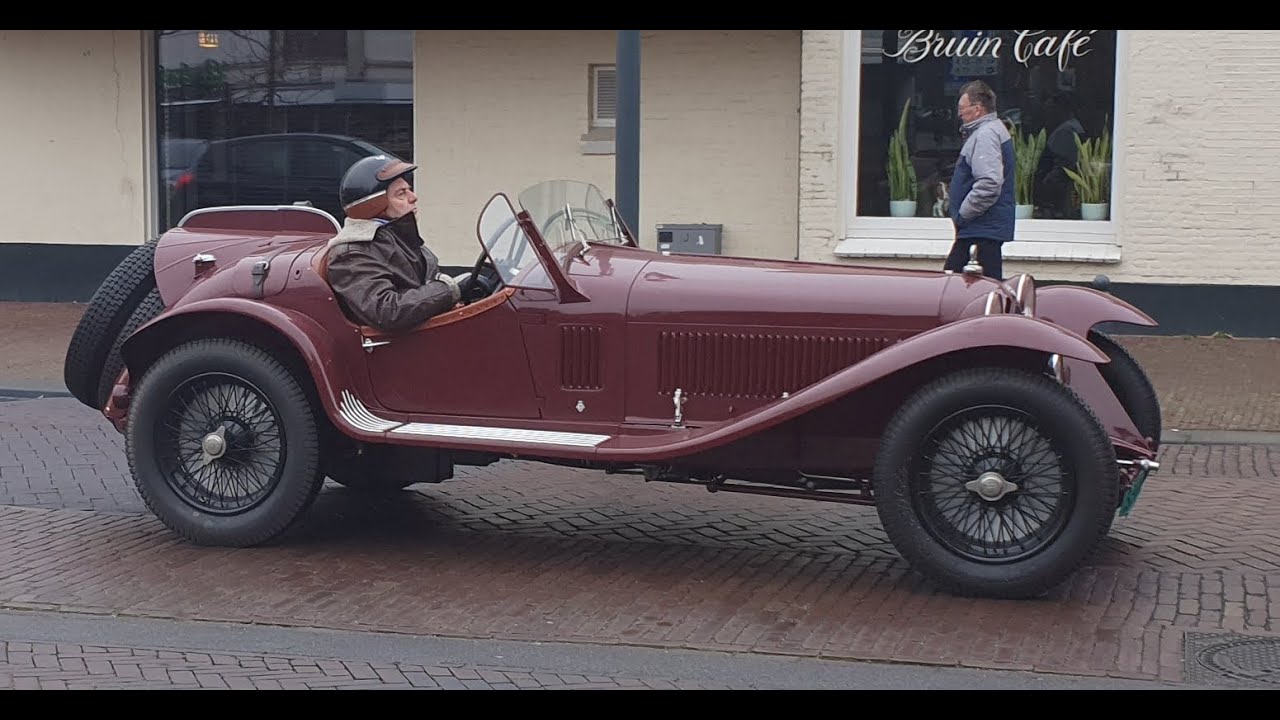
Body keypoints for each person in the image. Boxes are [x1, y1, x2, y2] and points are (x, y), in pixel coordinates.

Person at [324, 155, 467, 333]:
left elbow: (426, 276)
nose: (413, 197)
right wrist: (449, 290)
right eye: (401, 194)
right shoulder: (351, 253)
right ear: (375, 205)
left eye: (409, 190)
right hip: (400, 350)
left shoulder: (398, 236)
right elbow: (386, 310)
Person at [943, 80, 1015, 280]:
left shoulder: (985, 135)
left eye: (962, 108)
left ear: (977, 109)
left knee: (953, 287)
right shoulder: (991, 131)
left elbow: (989, 183)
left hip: (979, 231)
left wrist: (963, 214)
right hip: (983, 230)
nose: (959, 114)